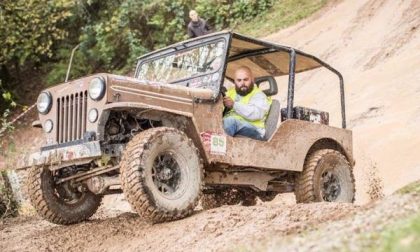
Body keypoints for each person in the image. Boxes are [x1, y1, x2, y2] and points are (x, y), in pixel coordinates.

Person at [223, 66, 271, 140]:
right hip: (234, 125)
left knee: (230, 121)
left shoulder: (259, 95)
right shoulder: (230, 92)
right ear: (235, 81)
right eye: (239, 80)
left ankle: (217, 149)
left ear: (252, 79)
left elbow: (256, 114)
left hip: (254, 130)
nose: (242, 83)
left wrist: (234, 105)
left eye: (245, 80)